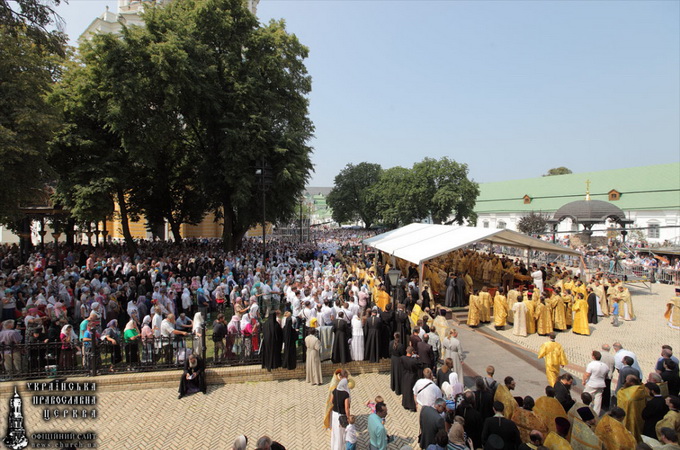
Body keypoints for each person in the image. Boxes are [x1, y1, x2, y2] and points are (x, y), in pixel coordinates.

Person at [616, 375, 646, 443]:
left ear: (632, 383)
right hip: (640, 417)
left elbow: (622, 396)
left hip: (629, 416)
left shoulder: (627, 393)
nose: (625, 382)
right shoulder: (642, 389)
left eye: (626, 381)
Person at [584, 350, 610, 416]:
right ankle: (596, 414)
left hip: (592, 383)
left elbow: (587, 374)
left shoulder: (591, 364)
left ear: (593, 357)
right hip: (601, 384)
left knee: (586, 397)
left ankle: (585, 410)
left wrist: (583, 381)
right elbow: (606, 376)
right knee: (598, 399)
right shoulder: (605, 366)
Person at [330, 375, 351, 450]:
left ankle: (334, 447)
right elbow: (347, 408)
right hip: (341, 416)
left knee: (335, 432)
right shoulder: (346, 394)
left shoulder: (335, 390)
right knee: (341, 434)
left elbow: (331, 401)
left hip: (334, 414)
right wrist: (348, 417)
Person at [401, 346, 420, 412]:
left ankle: (405, 404)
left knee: (406, 390)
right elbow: (419, 365)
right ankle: (411, 406)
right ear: (412, 352)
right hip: (412, 377)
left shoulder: (402, 358)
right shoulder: (414, 361)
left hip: (405, 376)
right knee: (411, 391)